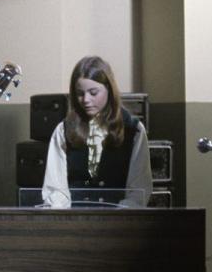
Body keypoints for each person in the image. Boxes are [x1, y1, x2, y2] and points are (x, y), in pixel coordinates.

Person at [42, 56, 152, 208]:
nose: (86, 99)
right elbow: (56, 187)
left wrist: (118, 217)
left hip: (119, 221)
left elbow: (139, 190)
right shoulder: (63, 130)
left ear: (109, 90)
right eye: (80, 93)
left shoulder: (133, 130)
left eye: (93, 93)